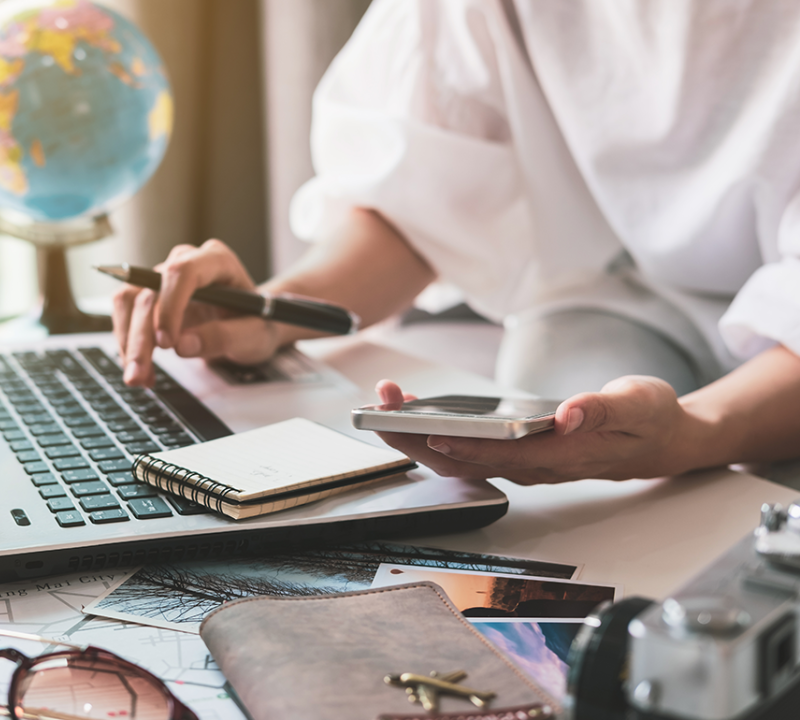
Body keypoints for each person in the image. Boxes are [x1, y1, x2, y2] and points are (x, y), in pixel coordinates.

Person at [112, 0, 800, 486]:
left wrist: (696, 434)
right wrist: (271, 310)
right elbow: (420, 199)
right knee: (578, 458)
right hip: (619, 299)